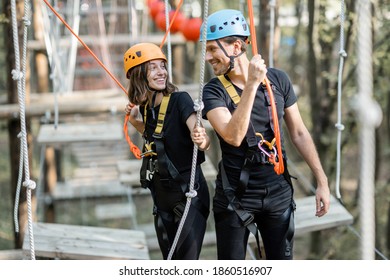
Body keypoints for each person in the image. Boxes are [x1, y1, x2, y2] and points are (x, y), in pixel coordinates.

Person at [200, 9, 330, 260]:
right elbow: (233, 136)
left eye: (213, 49)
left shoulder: (278, 79)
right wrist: (251, 85)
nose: (208, 57)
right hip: (235, 195)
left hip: (277, 190)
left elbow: (300, 133)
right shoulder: (213, 92)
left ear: (235, 46)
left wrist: (322, 181)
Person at [123, 42, 211, 259]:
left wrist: (202, 138)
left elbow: (198, 133)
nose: (161, 72)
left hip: (188, 193)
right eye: (152, 67)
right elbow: (159, 142)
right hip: (162, 197)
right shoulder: (145, 108)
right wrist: (136, 123)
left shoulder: (180, 100)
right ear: (139, 75)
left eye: (162, 66)